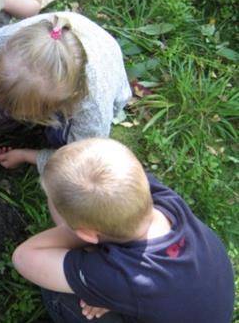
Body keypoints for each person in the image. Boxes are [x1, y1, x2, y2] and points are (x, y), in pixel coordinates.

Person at [12, 138, 234, 323]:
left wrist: (102, 287)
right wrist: (110, 293)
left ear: (88, 233)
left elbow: (24, 257)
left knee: (58, 292)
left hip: (160, 296)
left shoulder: (124, 277)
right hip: (201, 300)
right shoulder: (166, 200)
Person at [0, 12, 131, 170]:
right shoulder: (5, 42)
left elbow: (81, 158)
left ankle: (51, 129)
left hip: (105, 85)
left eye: (27, 113)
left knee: (57, 139)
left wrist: (28, 156)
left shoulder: (92, 107)